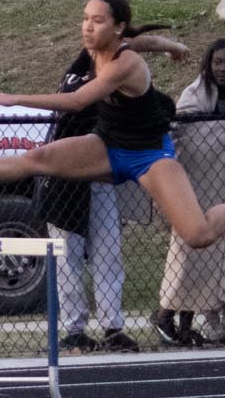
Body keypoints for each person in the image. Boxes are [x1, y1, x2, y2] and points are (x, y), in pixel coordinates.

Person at [0, 0, 225, 261]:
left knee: (198, 235)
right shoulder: (101, 48)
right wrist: (172, 46)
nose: (88, 27)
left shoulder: (125, 63)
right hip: (108, 145)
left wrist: (12, 98)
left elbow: (78, 101)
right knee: (36, 159)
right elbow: (147, 40)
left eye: (98, 20)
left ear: (117, 27)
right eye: (85, 18)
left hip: (150, 155)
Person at [37, 27, 188, 352]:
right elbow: (138, 47)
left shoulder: (117, 75)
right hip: (64, 180)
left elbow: (140, 45)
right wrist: (171, 47)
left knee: (108, 253)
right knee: (67, 258)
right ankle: (74, 330)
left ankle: (112, 328)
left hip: (99, 179)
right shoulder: (85, 74)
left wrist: (171, 46)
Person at [157, 39, 225, 347]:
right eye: (217, 62)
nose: (223, 69)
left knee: (224, 254)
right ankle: (165, 316)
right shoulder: (194, 96)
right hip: (197, 189)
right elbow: (182, 135)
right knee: (191, 254)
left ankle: (192, 325)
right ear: (208, 64)